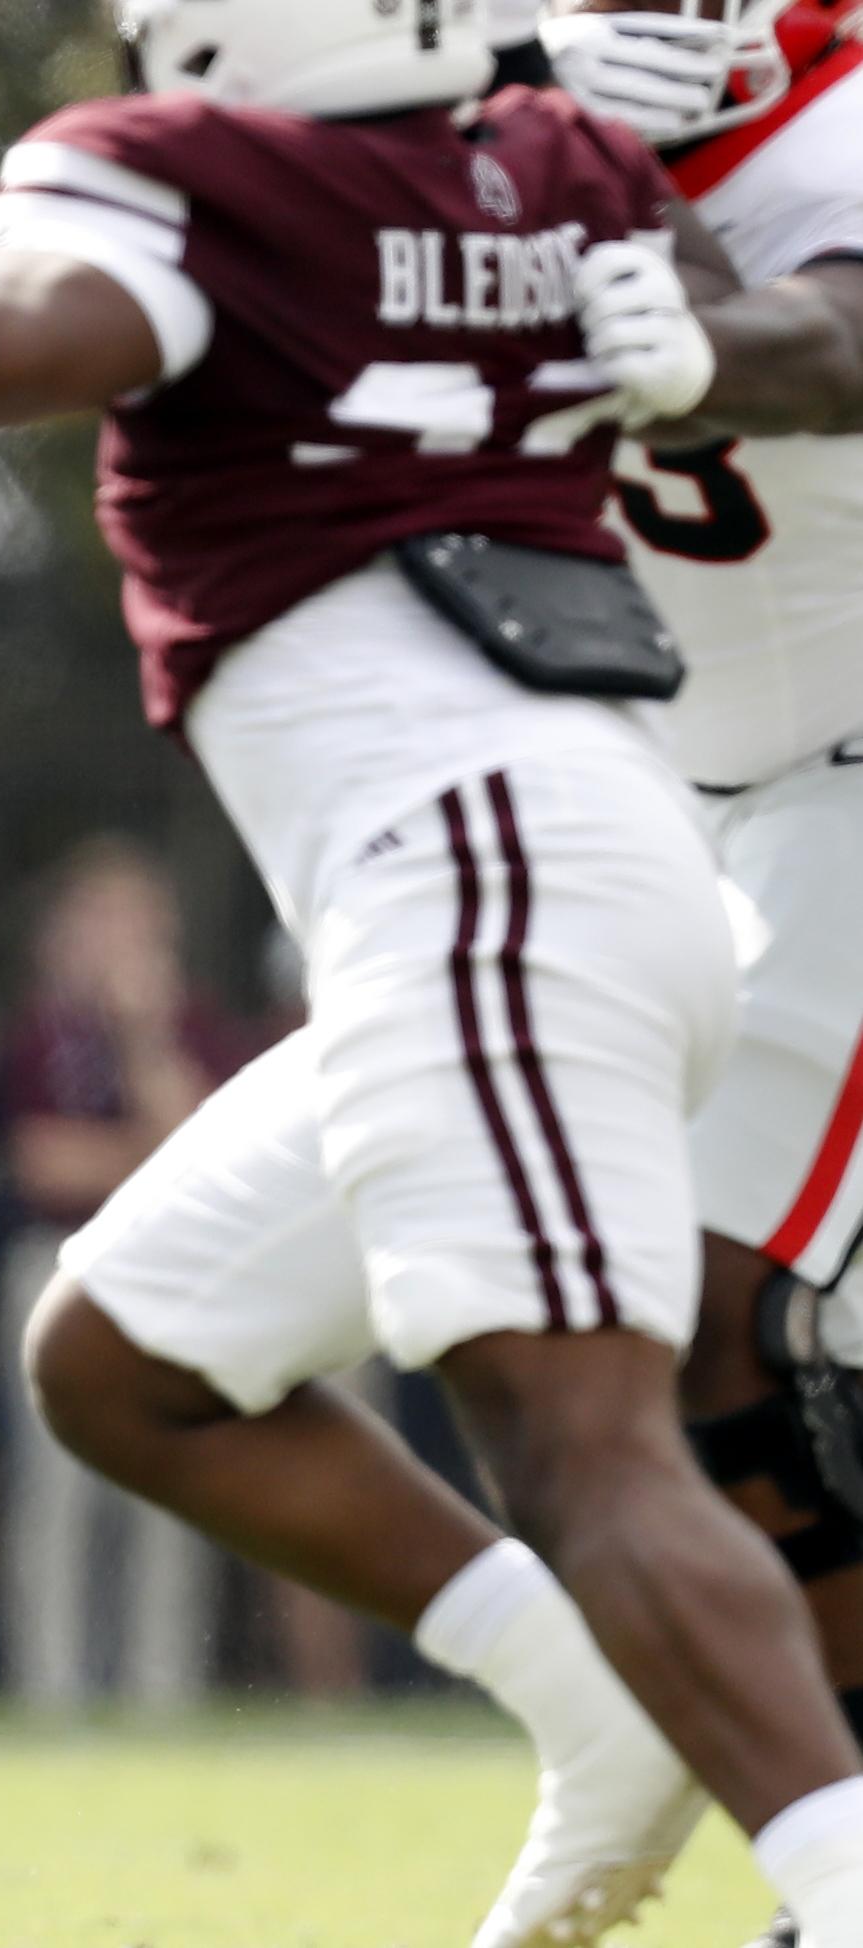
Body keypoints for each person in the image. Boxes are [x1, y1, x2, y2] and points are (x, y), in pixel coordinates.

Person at [0, 0, 861, 1940]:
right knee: (129, 1357)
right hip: (555, 852)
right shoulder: (554, 167)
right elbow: (661, 278)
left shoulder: (212, 176)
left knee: (600, 1429)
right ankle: (600, 1702)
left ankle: (839, 1877)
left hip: (509, 863)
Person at [526, 6, 863, 1941]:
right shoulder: (514, 120)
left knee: (711, 1301)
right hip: (667, 788)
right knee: (660, 1321)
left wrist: (633, 225)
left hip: (842, 780)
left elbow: (820, 349)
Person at [0, 840, 252, 1711]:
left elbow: (200, 1143)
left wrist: (143, 1038)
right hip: (59, 1268)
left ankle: (160, 1693)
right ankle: (51, 1691)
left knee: (166, 1490)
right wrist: (146, 1153)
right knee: (56, 1493)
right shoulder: (37, 1034)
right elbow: (40, 1165)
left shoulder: (194, 1026)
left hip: (167, 1270)